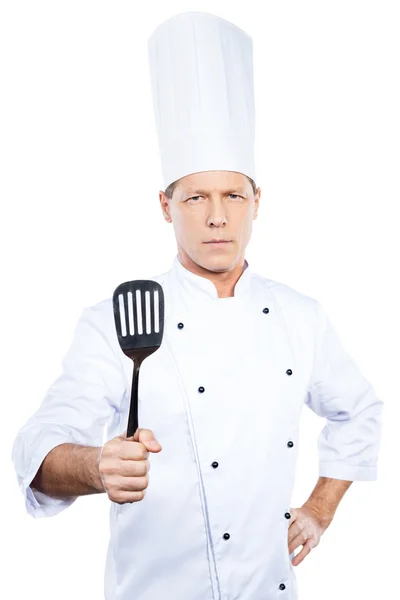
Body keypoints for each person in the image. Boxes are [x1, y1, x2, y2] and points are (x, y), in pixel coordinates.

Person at [11, 11, 383, 600]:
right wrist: (95, 466)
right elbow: (41, 443)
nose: (216, 216)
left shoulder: (300, 316)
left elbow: (360, 411)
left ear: (257, 200)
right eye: (195, 198)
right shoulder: (117, 320)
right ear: (165, 205)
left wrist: (320, 507)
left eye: (233, 194)